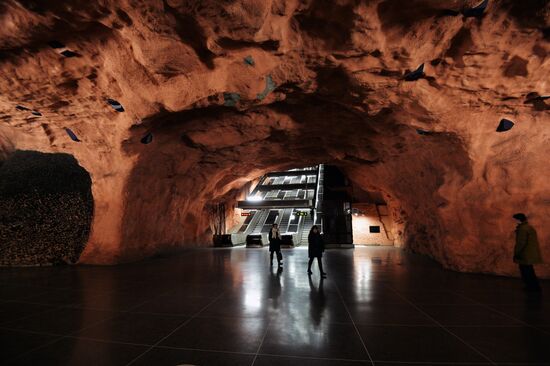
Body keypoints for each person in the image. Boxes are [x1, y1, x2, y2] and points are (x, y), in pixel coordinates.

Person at [513, 213, 542, 292]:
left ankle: (531, 287)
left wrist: (517, 253)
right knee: (529, 270)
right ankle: (534, 286)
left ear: (518, 220)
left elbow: (521, 243)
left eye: (515, 219)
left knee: (526, 271)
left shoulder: (522, 229)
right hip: (529, 253)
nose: (514, 221)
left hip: (524, 253)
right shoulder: (528, 227)